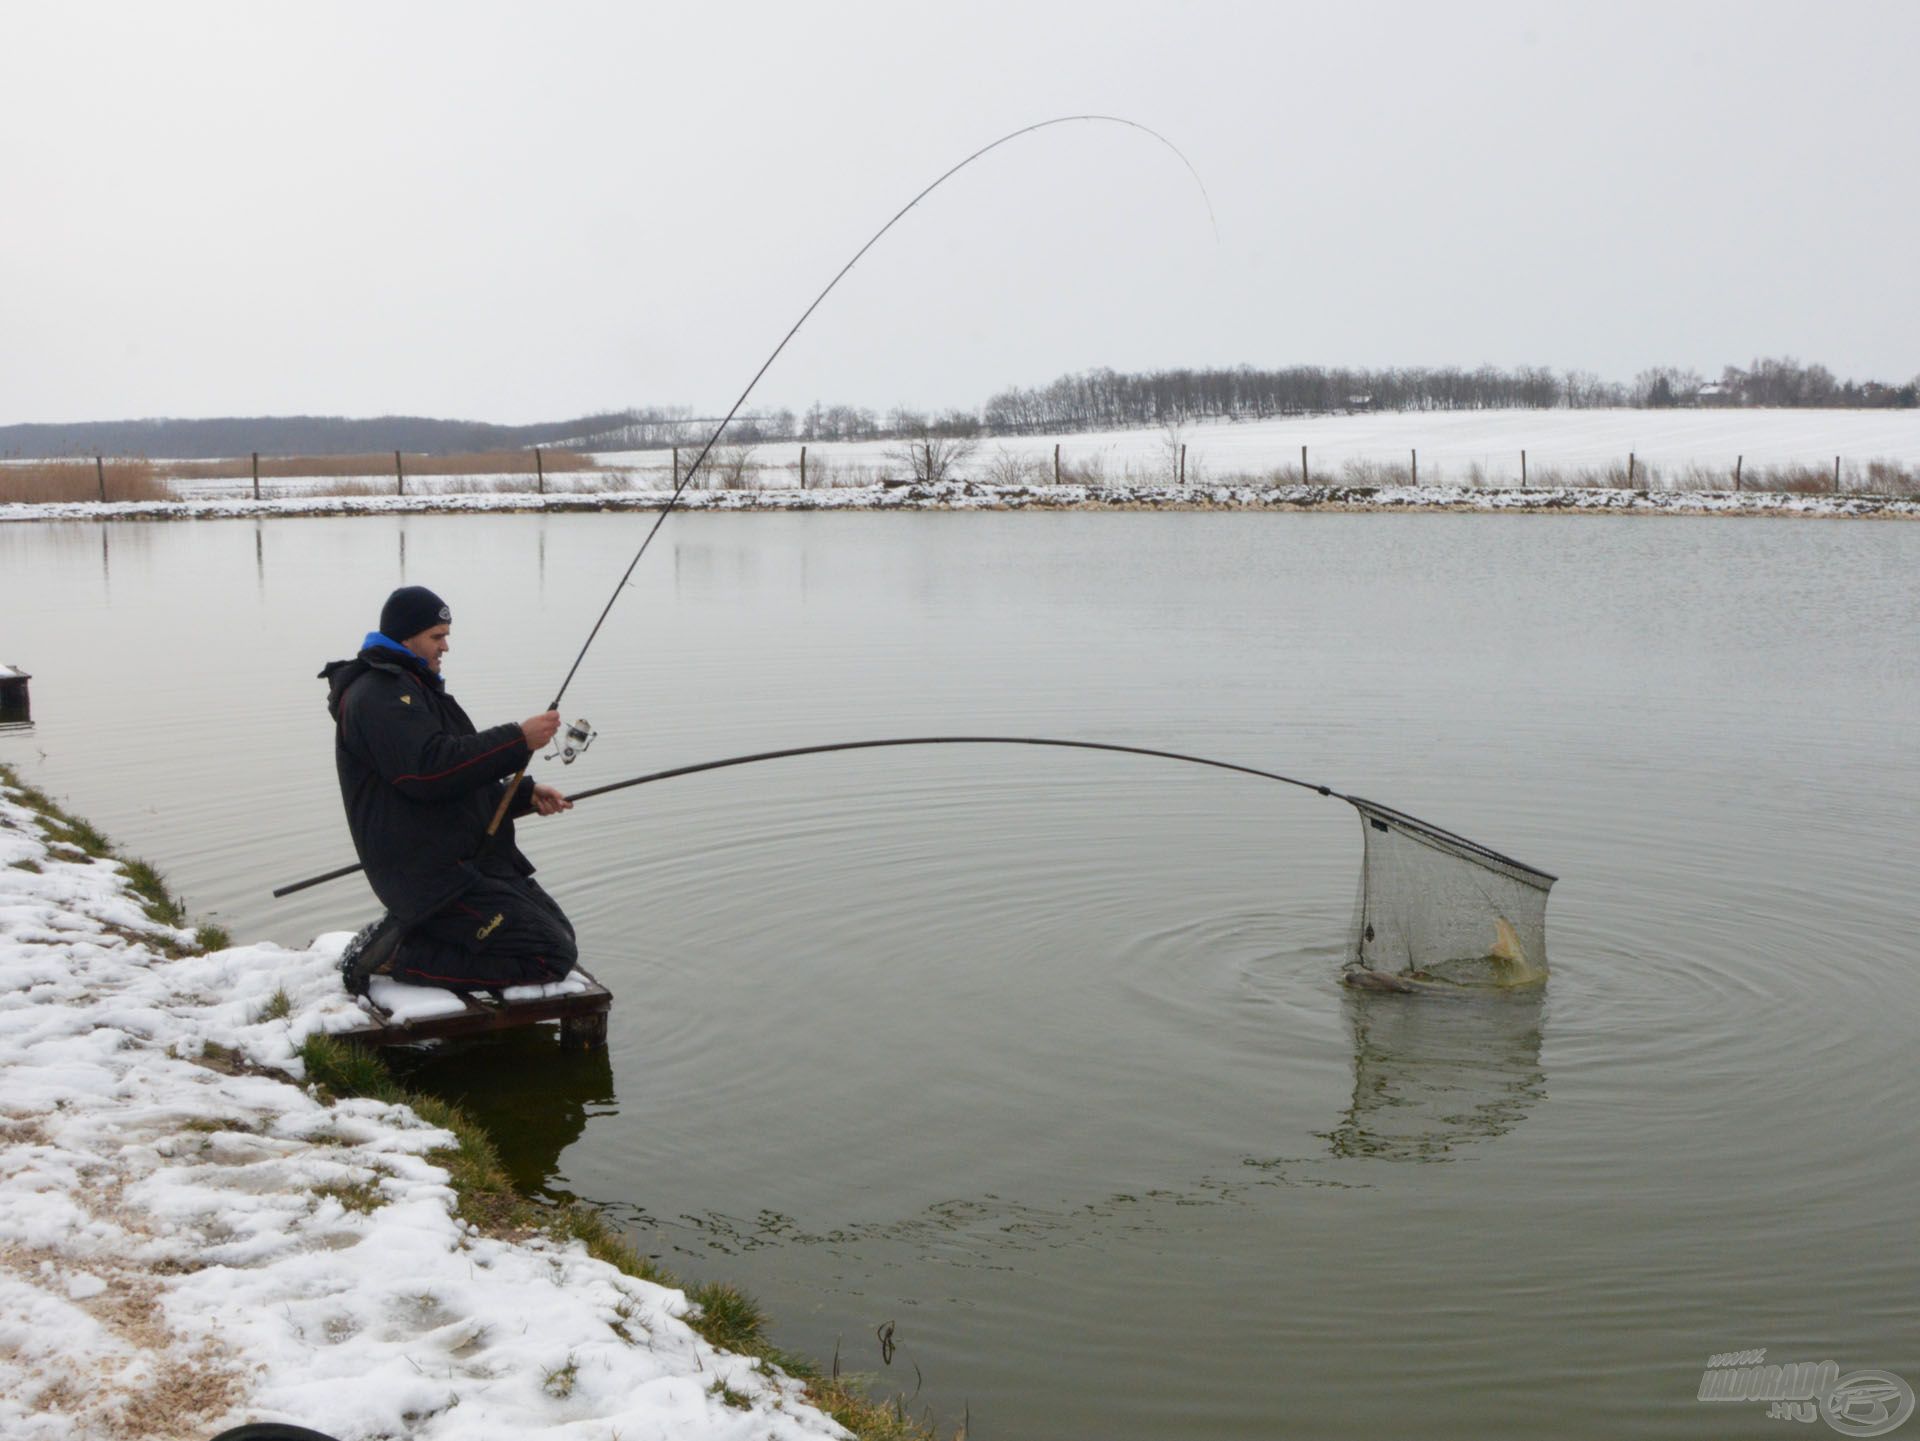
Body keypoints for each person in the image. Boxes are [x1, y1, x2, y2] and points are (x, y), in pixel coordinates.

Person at [320, 585, 578, 993]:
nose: (445, 648)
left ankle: (421, 934)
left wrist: (523, 795)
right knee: (549, 953)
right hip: (428, 876)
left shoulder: (415, 689)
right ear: (407, 638)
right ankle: (398, 955)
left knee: (560, 935)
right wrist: (518, 739)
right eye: (437, 637)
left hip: (462, 862)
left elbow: (459, 781)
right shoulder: (377, 696)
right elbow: (429, 772)